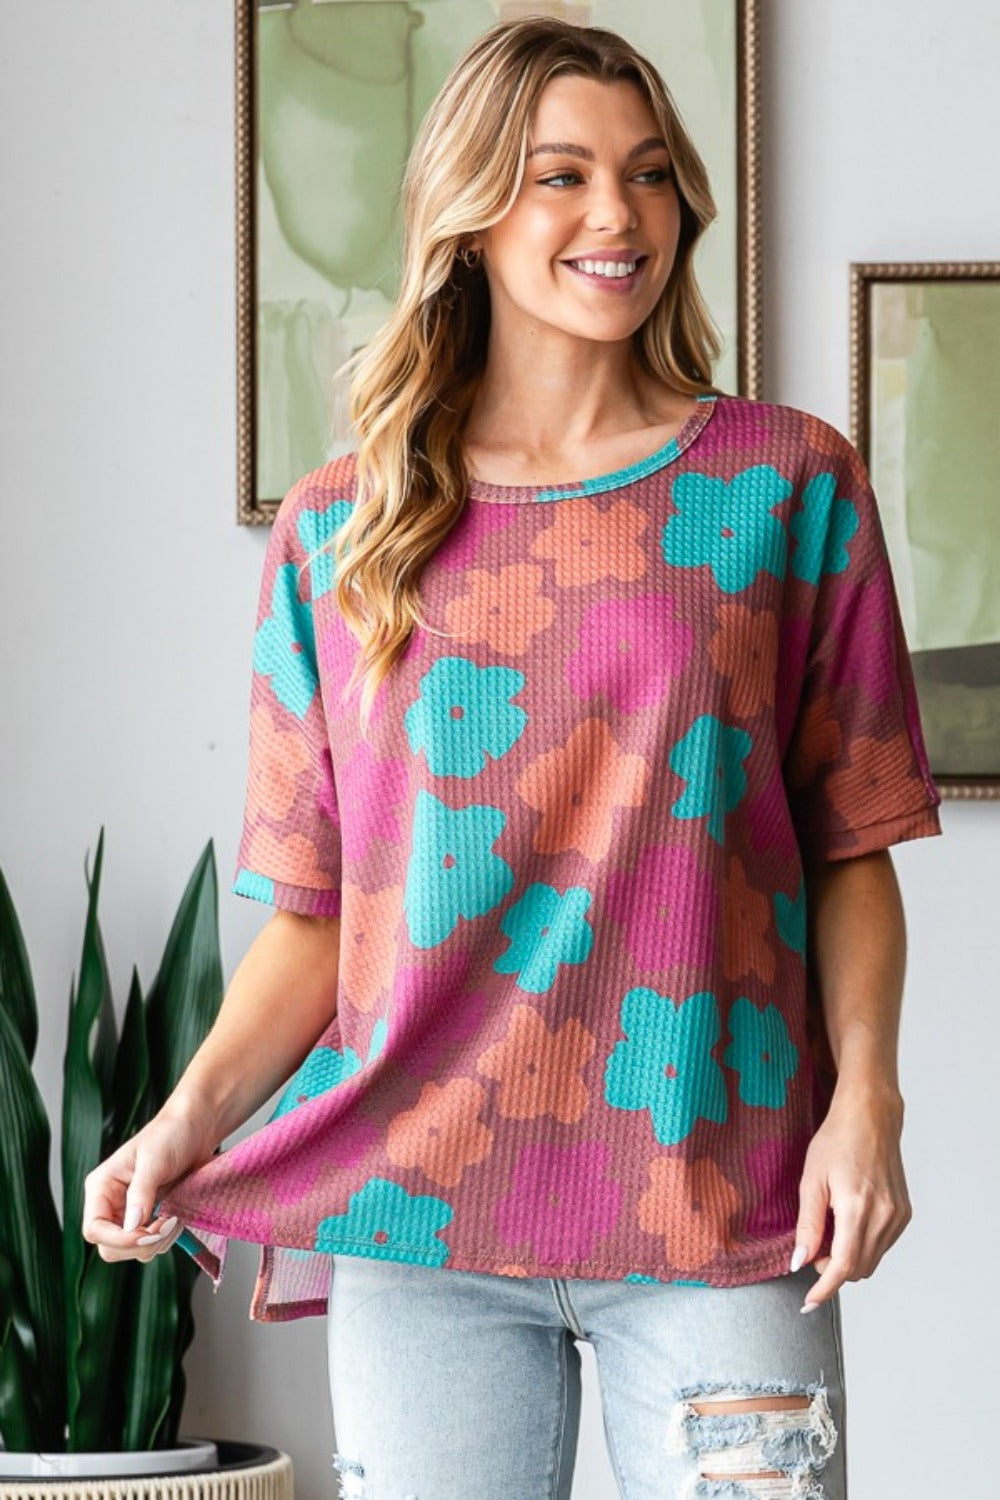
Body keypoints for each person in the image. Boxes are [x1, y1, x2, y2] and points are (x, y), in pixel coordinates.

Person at [82, 17, 942, 1499]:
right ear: (471, 212)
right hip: (422, 1226)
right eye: (563, 175)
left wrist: (869, 1102)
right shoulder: (341, 530)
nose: (620, 214)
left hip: (718, 1198)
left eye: (650, 174)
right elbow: (320, 922)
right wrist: (180, 1123)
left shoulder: (789, 481)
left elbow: (848, 843)